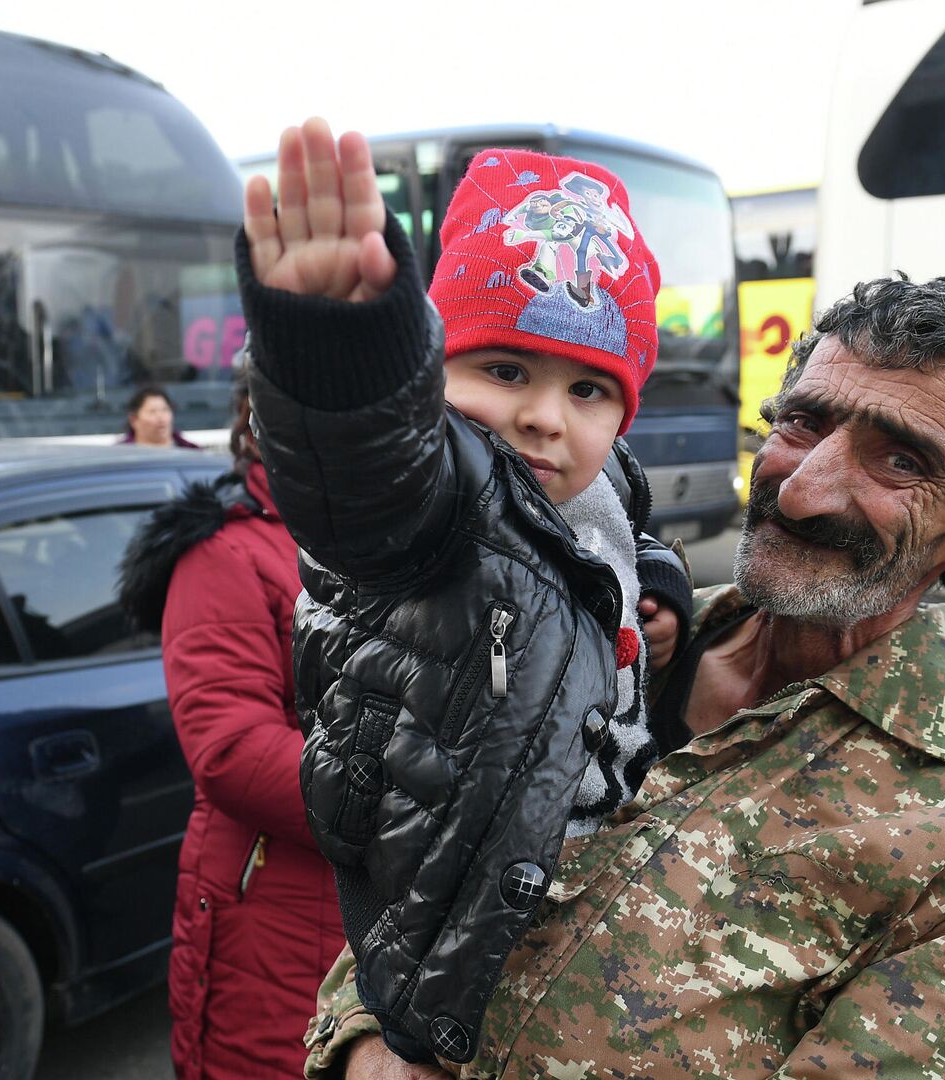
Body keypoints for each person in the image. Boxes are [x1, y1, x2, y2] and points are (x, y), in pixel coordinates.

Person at [308, 276, 945, 1078]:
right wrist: (363, 1041)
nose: (803, 489)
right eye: (805, 423)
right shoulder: (602, 627)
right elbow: (406, 857)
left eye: (899, 461)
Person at [238, 119, 694, 1065]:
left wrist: (658, 585)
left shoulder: (601, 484)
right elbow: (368, 481)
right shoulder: (441, 500)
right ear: (434, 372)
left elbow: (623, 537)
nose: (541, 415)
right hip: (453, 961)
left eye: (589, 391)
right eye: (504, 370)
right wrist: (346, 361)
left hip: (590, 919)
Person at [117, 364, 343, 1078]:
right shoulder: (225, 552)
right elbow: (231, 748)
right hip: (273, 915)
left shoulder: (404, 538)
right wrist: (409, 802)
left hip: (383, 910)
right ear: (256, 416)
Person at [118, 385, 202, 448]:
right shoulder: (120, 456)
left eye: (165, 410)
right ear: (134, 420)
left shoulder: (191, 452)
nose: (161, 417)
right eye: (152, 412)